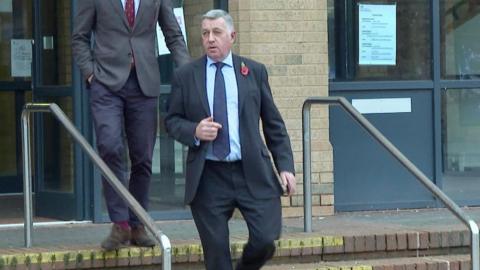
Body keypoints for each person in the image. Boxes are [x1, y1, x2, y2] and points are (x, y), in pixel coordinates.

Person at [165, 9, 296, 270]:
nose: (210, 39)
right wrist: (194, 131)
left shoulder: (254, 72)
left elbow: (273, 124)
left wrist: (286, 166)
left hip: (251, 171)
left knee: (266, 239)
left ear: (232, 36)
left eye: (217, 32)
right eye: (205, 33)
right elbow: (171, 121)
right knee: (216, 256)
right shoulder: (186, 76)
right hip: (209, 176)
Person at [72, 0, 190, 251]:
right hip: (105, 83)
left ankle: (137, 224)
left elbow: (173, 34)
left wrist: (188, 73)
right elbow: (79, 37)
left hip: (144, 84)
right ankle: (120, 223)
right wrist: (90, 73)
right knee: (110, 145)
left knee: (143, 157)